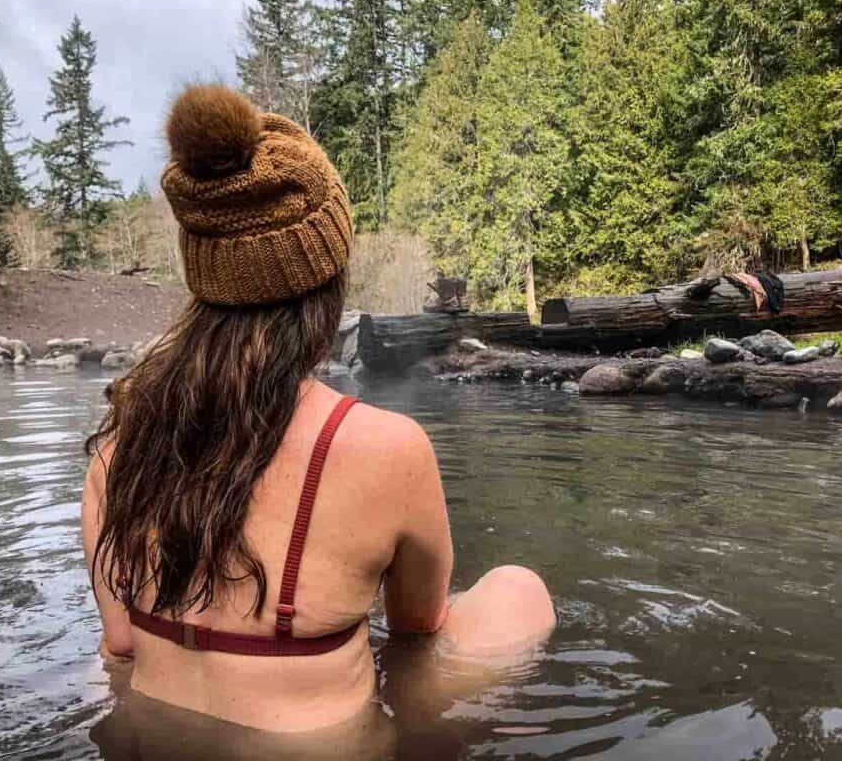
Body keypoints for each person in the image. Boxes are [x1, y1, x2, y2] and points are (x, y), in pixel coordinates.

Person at [81, 84, 555, 733]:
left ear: (204, 283)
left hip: (152, 733)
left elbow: (121, 642)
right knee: (517, 589)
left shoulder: (118, 446)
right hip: (328, 747)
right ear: (326, 284)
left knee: (111, 656)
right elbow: (419, 624)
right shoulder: (386, 447)